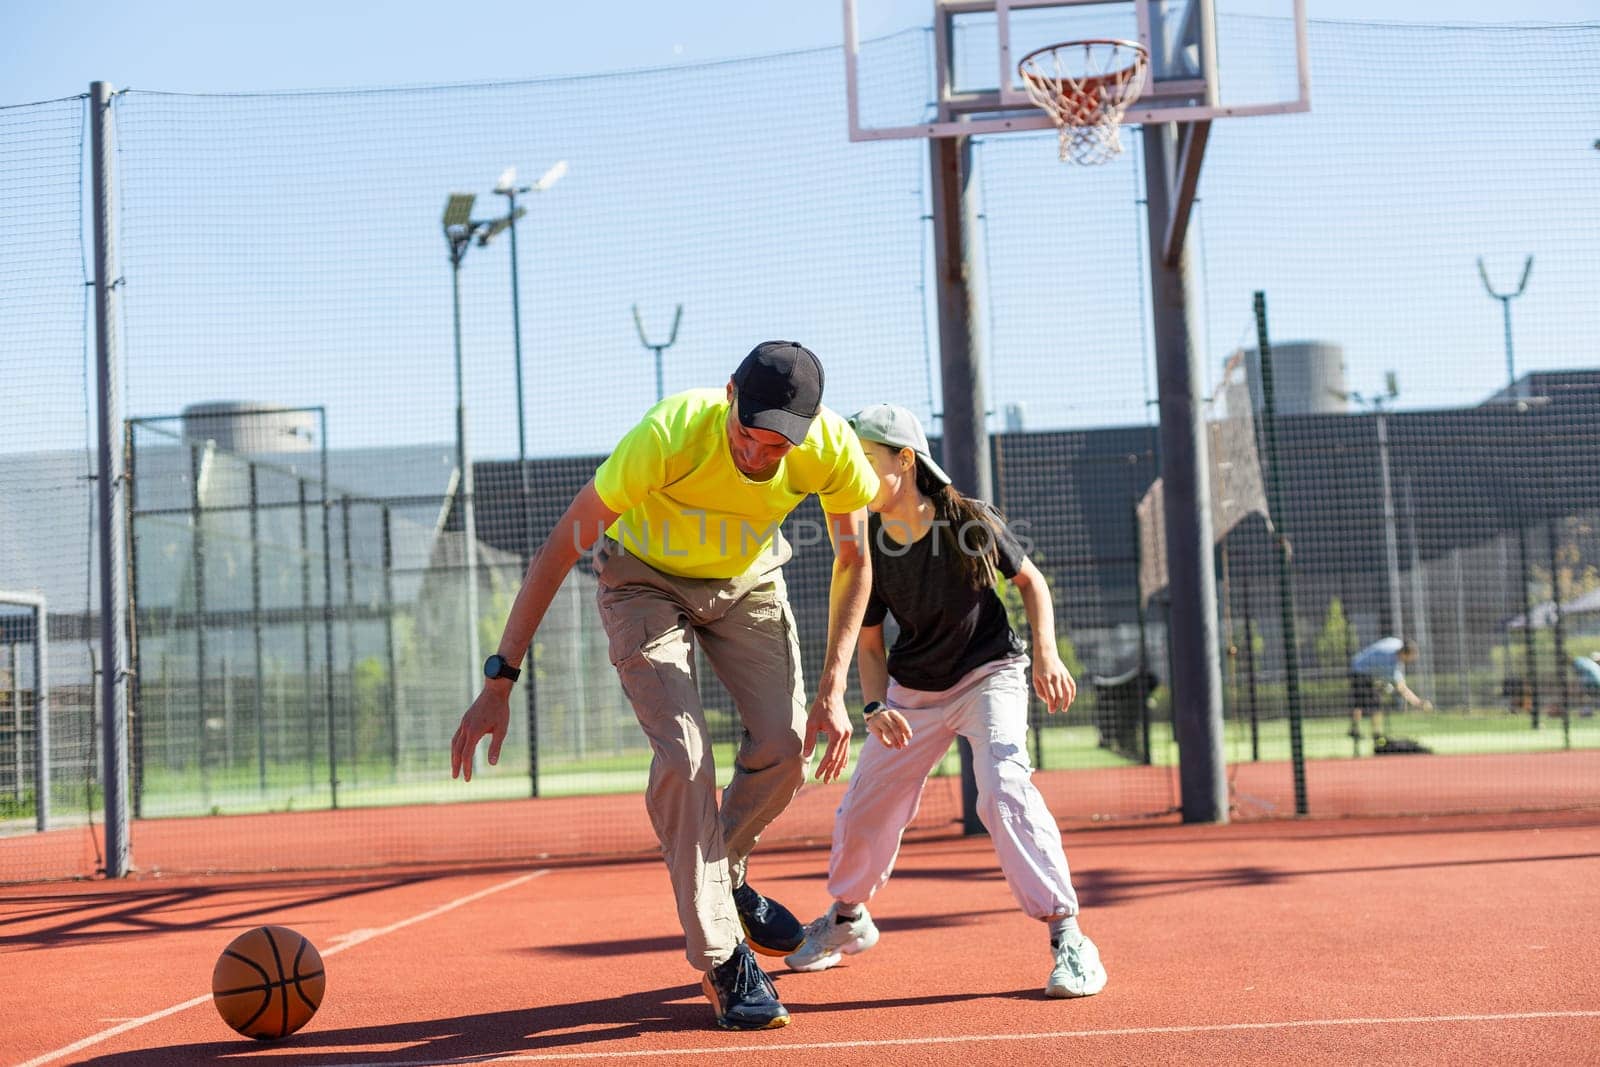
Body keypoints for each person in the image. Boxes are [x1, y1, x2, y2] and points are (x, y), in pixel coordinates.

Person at [450, 341, 879, 1031]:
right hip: (642, 580)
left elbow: (854, 560)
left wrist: (834, 688)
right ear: (729, 395)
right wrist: (500, 677)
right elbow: (562, 546)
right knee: (684, 758)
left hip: (747, 581)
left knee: (788, 742)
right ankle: (723, 956)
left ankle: (725, 870)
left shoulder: (828, 447)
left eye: (778, 448)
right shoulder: (670, 433)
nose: (759, 457)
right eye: (749, 436)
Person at [783, 403, 1107, 999]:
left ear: (904, 461)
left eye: (864, 461)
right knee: (866, 806)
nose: (851, 474)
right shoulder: (868, 541)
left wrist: (1047, 653)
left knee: (1003, 787)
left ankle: (1070, 937)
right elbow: (872, 641)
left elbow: (1030, 583)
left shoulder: (966, 520)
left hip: (990, 675)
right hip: (913, 693)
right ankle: (848, 920)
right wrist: (877, 708)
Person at [1348, 636, 1430, 751]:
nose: (1409, 660)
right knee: (1375, 704)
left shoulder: (1396, 643)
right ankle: (1376, 736)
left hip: (1358, 666)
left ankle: (1354, 729)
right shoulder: (1389, 663)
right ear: (1404, 654)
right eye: (1410, 657)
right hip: (1361, 672)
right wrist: (1418, 703)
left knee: (1360, 702)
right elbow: (1401, 688)